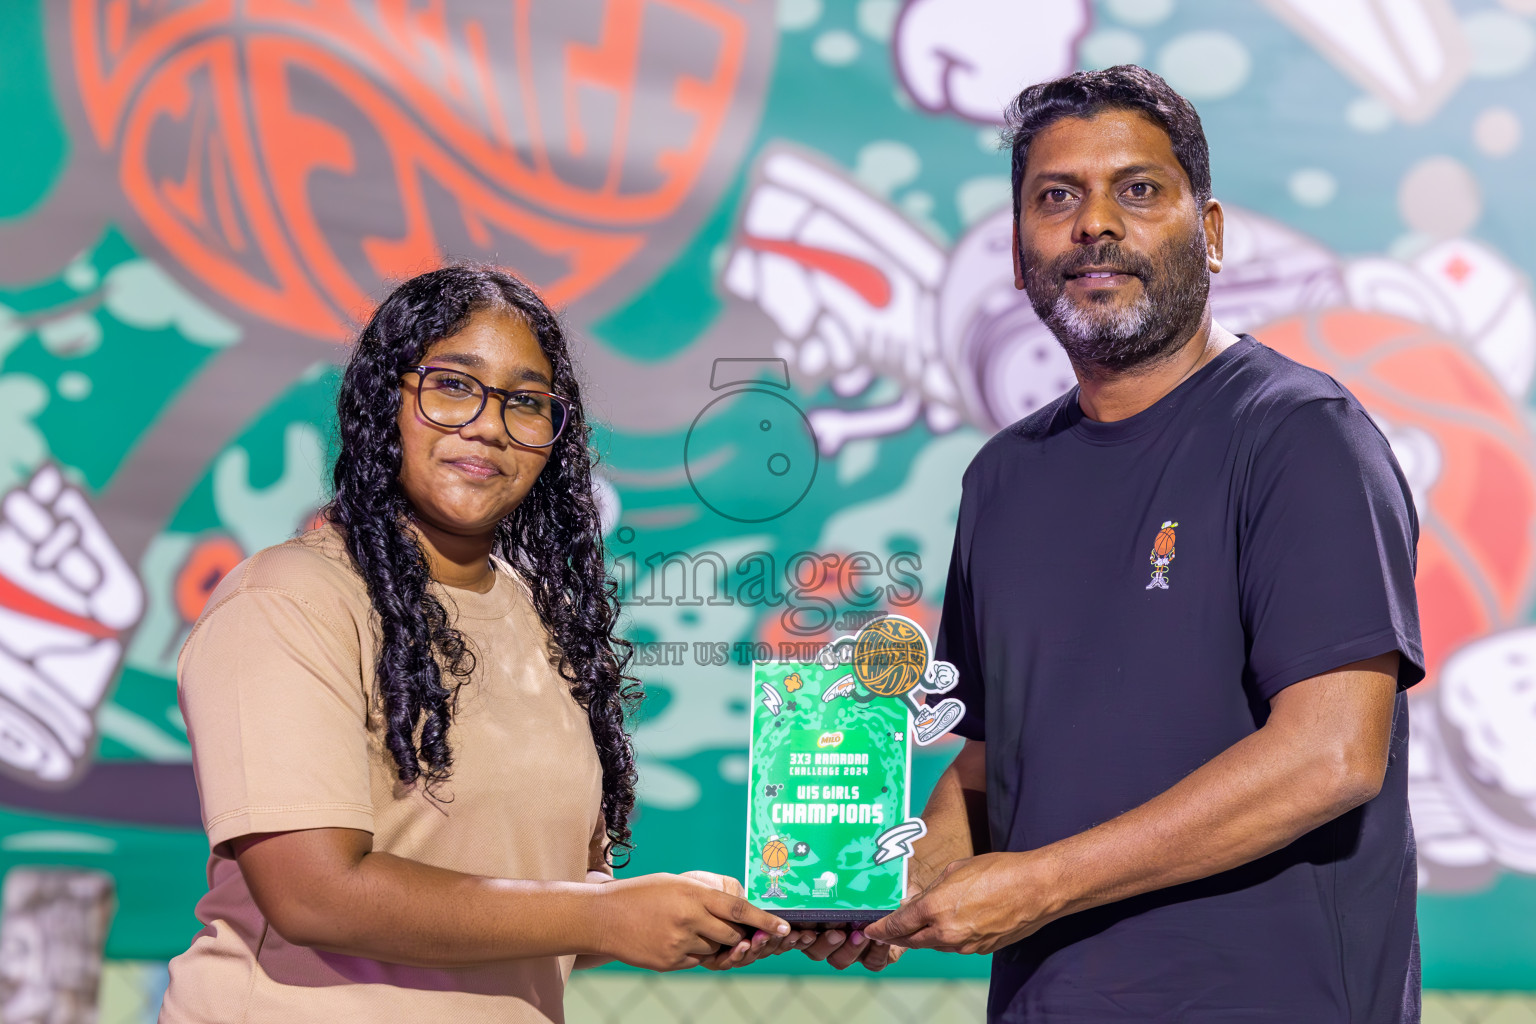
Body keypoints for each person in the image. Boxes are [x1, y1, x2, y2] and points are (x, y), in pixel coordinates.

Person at [851, 66, 1424, 1021]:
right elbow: (996, 767)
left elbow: (1332, 755)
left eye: (1140, 189)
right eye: (1056, 197)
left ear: (1210, 232)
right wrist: (868, 893)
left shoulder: (1300, 432)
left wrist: (1040, 884)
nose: (1094, 224)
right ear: (1018, 246)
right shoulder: (1002, 476)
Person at [160, 265, 792, 1023]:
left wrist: (691, 913)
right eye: (454, 385)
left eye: (527, 403)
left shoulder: (542, 620)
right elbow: (314, 894)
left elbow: (533, 902)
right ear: (383, 401)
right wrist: (602, 916)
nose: (490, 424)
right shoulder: (291, 600)